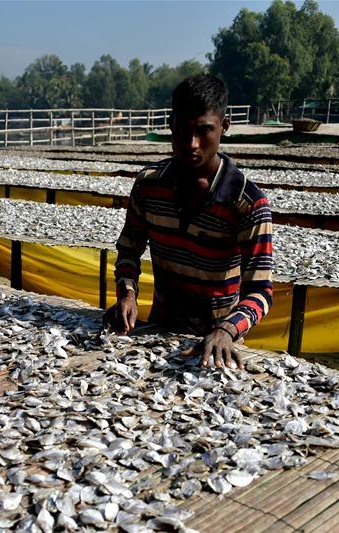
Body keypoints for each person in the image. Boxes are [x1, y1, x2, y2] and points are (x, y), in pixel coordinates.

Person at [104, 74, 273, 369]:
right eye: (181, 130)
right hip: (158, 330)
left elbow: (260, 291)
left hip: (217, 345)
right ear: (170, 125)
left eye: (204, 130)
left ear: (225, 126)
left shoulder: (247, 203)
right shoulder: (148, 186)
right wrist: (127, 294)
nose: (191, 143)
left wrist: (226, 330)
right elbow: (129, 248)